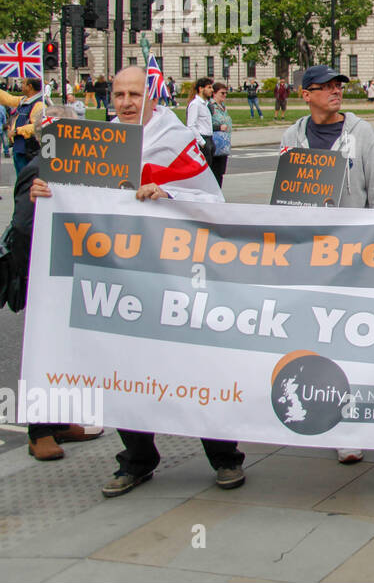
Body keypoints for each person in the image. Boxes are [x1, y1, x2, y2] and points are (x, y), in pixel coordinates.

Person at [31, 68, 242, 496]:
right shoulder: (100, 143)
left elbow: (211, 200)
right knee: (122, 364)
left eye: (134, 94)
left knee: (193, 366)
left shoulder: (178, 138)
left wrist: (170, 196)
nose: (126, 102)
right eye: (118, 94)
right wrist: (45, 191)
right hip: (120, 278)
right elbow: (77, 197)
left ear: (152, 97)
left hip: (173, 276)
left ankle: (224, 456)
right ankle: (138, 459)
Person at [282, 64, 374, 465]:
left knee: (349, 338)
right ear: (306, 95)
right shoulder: (292, 136)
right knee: (316, 338)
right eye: (325, 87)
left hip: (352, 253)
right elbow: (285, 197)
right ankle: (322, 410)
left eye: (338, 86)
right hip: (312, 253)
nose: (335, 92)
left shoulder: (361, 133)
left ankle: (350, 426)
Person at [12, 104, 105, 460]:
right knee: (46, 348)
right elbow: (22, 227)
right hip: (44, 273)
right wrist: (28, 275)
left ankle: (62, 420)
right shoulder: (36, 171)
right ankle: (40, 432)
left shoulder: (85, 171)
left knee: (71, 349)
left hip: (77, 268)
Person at [0, 78, 45, 174]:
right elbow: (9, 99)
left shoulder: (38, 104)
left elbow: (38, 126)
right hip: (19, 147)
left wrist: (17, 131)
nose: (21, 85)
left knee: (26, 180)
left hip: (27, 149)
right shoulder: (25, 100)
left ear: (30, 87)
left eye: (23, 83)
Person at [208, 82, 233, 188]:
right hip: (215, 143)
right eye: (222, 93)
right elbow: (205, 125)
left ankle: (218, 192)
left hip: (224, 144)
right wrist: (218, 127)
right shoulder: (210, 106)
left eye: (226, 93)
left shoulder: (223, 107)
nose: (224, 95)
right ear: (214, 93)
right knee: (214, 172)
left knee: (221, 172)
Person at [185, 77, 215, 162]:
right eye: (209, 87)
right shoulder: (195, 104)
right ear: (201, 89)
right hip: (203, 139)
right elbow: (191, 125)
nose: (212, 90)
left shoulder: (205, 104)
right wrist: (202, 142)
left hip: (209, 138)